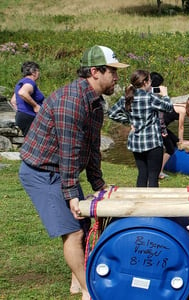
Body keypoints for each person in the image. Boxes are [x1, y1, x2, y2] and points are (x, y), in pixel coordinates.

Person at [18, 45, 129, 300]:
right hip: (41, 172)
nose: (116, 77)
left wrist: (98, 184)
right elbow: (69, 151)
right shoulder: (71, 102)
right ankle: (90, 291)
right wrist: (72, 195)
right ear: (94, 72)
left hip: (60, 169)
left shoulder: (95, 104)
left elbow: (91, 148)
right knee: (74, 230)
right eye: (112, 71)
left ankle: (76, 284)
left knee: (83, 223)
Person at [108, 69, 174, 187]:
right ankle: (152, 204)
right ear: (145, 82)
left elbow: (112, 113)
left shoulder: (126, 98)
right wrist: (165, 95)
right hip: (152, 141)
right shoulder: (150, 98)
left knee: (142, 174)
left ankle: (140, 202)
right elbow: (168, 108)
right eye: (150, 80)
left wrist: (129, 121)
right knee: (153, 176)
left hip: (136, 142)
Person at [159, 94, 189, 179]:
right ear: (188, 102)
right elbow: (181, 127)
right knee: (170, 148)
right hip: (159, 127)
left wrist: (179, 140)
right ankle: (159, 172)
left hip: (162, 126)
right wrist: (181, 141)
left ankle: (161, 168)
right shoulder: (183, 109)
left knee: (175, 142)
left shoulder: (183, 106)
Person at [13, 61, 45, 136]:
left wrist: (21, 111)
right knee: (35, 144)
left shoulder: (20, 83)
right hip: (29, 117)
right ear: (33, 72)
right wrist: (35, 106)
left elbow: (13, 101)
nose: (39, 73)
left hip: (21, 116)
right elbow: (22, 93)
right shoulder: (30, 82)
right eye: (38, 71)